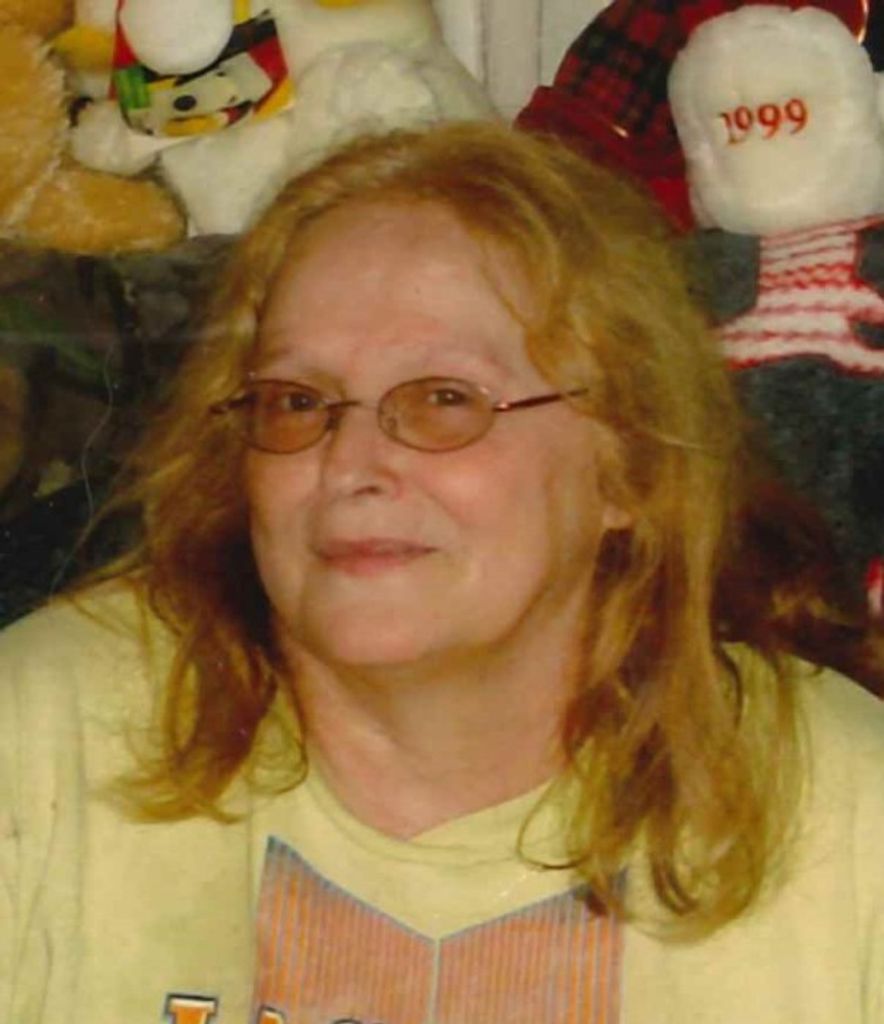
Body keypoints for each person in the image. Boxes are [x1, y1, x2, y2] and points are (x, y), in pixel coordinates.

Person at [1, 120, 882, 1024]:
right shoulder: (42, 736)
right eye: (298, 402)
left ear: (631, 466)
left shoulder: (847, 812)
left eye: (444, 400)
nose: (350, 465)